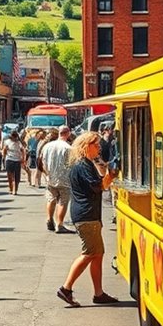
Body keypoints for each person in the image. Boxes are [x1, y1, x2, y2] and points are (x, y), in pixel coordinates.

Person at [56, 131, 119, 307]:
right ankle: (66, 288)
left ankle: (98, 293)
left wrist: (107, 175)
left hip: (88, 214)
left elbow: (99, 185)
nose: (99, 148)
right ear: (86, 146)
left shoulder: (84, 164)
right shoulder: (83, 165)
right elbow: (98, 186)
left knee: (97, 254)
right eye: (96, 145)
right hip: (86, 215)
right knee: (90, 253)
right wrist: (111, 175)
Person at [43, 126, 74, 233]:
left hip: (50, 177)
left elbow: (43, 161)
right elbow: (71, 164)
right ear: (68, 134)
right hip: (64, 178)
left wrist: (47, 173)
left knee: (51, 198)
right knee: (63, 201)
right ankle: (59, 224)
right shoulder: (68, 148)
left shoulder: (47, 146)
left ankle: (49, 218)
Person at [2, 130, 26, 195]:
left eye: (15, 137)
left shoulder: (19, 143)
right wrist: (4, 158)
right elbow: (4, 150)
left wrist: (23, 159)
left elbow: (23, 150)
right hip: (9, 159)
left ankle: (15, 190)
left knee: (17, 177)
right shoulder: (7, 142)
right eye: (13, 136)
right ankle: (10, 188)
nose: (14, 138)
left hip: (17, 160)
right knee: (10, 176)